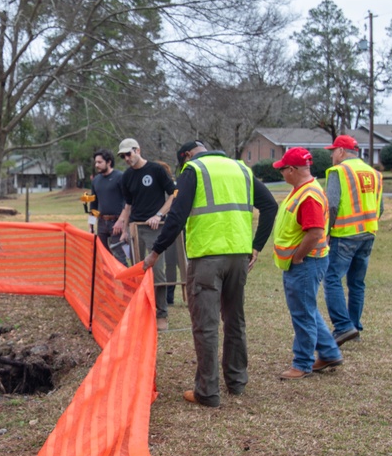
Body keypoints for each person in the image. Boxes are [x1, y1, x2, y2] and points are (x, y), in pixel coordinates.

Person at [143, 141, 278, 407]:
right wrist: (257, 246)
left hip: (206, 259)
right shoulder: (241, 168)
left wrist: (156, 251)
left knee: (206, 326)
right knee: (235, 320)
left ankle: (207, 392)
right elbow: (270, 206)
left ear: (186, 156)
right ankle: (237, 382)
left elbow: (177, 216)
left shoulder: (194, 169)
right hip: (239, 258)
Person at [272, 147, 343, 380]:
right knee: (307, 310)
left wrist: (299, 256)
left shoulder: (308, 195)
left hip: (306, 263)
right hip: (305, 262)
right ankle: (330, 352)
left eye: (283, 169)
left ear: (292, 169)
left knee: (302, 314)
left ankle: (302, 363)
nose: (281, 173)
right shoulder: (303, 190)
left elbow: (314, 233)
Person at [322, 135, 384, 346]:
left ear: (341, 151)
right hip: (368, 233)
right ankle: (354, 327)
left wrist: (326, 231)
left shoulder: (339, 171)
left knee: (331, 278)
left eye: (333, 151)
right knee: (357, 283)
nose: (332, 155)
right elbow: (380, 207)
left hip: (344, 234)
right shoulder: (374, 174)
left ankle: (343, 327)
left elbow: (331, 204)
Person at [114, 138, 176, 330]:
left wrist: (159, 215)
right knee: (138, 272)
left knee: (157, 271)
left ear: (138, 150)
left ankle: (161, 314)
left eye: (128, 154)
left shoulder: (156, 170)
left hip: (155, 229)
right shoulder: (126, 177)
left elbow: (174, 194)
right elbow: (128, 206)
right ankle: (143, 311)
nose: (126, 158)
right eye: (123, 156)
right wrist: (124, 230)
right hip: (135, 229)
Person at [91, 149, 129, 265]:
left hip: (117, 223)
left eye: (99, 162)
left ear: (108, 162)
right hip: (102, 223)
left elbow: (127, 201)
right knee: (103, 258)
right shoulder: (96, 180)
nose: (96, 165)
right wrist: (91, 226)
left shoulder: (120, 177)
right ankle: (108, 283)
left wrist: (121, 221)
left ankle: (127, 283)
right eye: (96, 162)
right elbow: (93, 204)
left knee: (119, 258)